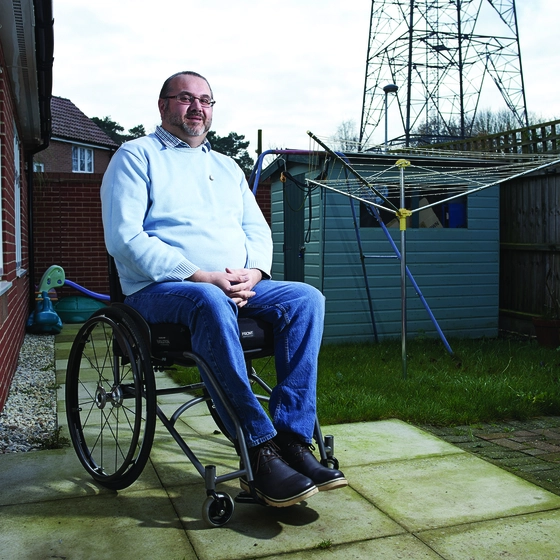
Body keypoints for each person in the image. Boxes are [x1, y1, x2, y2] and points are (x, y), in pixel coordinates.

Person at [100, 70, 347, 507]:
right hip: (161, 291)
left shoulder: (225, 165)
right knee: (211, 299)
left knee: (306, 298)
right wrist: (201, 275)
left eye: (206, 100)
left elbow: (256, 228)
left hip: (231, 282)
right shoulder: (136, 156)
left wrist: (255, 273)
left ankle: (291, 439)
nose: (197, 107)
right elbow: (125, 238)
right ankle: (258, 446)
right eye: (185, 98)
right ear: (163, 106)